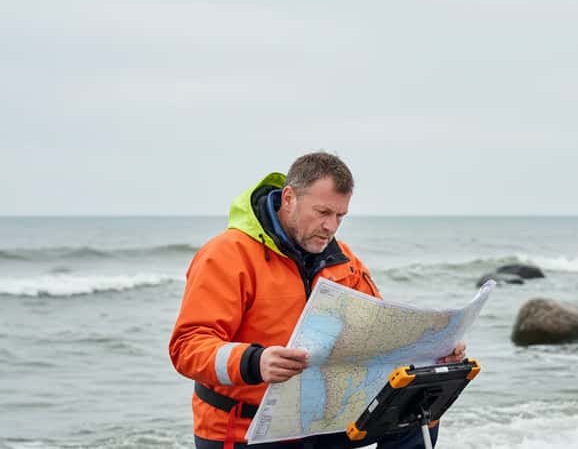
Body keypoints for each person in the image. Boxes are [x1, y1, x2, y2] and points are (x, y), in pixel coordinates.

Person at [169, 152, 466, 449]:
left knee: (416, 412)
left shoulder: (343, 258)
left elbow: (381, 336)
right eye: (322, 212)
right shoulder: (226, 255)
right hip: (243, 427)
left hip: (321, 419)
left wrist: (433, 354)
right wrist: (254, 361)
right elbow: (187, 347)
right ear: (289, 198)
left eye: (340, 216)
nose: (331, 226)